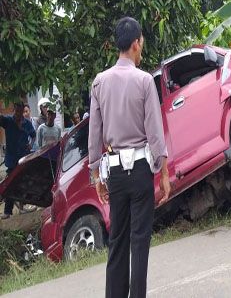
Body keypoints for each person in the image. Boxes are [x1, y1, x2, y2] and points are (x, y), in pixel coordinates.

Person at [88, 16, 171, 298]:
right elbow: (155, 132)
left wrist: (96, 174)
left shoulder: (99, 83)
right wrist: (163, 172)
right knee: (139, 243)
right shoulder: (145, 81)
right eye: (142, 43)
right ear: (135, 44)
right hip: (139, 172)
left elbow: (94, 133)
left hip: (114, 175)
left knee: (117, 242)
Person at [0, 101, 36, 219]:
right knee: (10, 185)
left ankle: (22, 208)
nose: (19, 113)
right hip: (11, 159)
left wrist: (31, 144)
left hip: (23, 158)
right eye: (16, 111)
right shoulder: (8, 121)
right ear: (13, 110)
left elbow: (33, 134)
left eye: (20, 111)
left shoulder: (26, 123)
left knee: (23, 183)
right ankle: (7, 211)